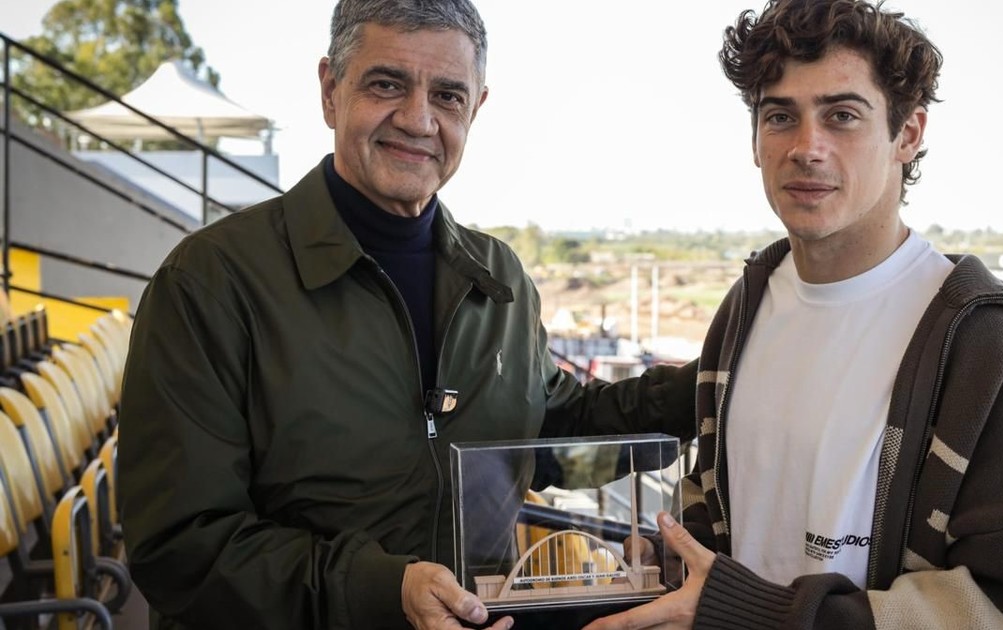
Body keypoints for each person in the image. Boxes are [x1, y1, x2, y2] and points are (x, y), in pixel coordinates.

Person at [117, 1, 696, 628]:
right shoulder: (211, 283)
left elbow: (552, 437)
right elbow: (180, 545)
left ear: (475, 109)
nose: (419, 120)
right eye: (387, 84)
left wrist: (706, 389)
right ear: (330, 91)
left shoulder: (498, 278)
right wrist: (381, 590)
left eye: (447, 96)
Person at [586, 0, 1003, 628]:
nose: (805, 147)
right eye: (780, 116)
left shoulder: (984, 344)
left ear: (908, 135)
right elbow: (729, 515)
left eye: (842, 115)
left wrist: (749, 614)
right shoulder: (746, 307)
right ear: (755, 141)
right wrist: (670, 563)